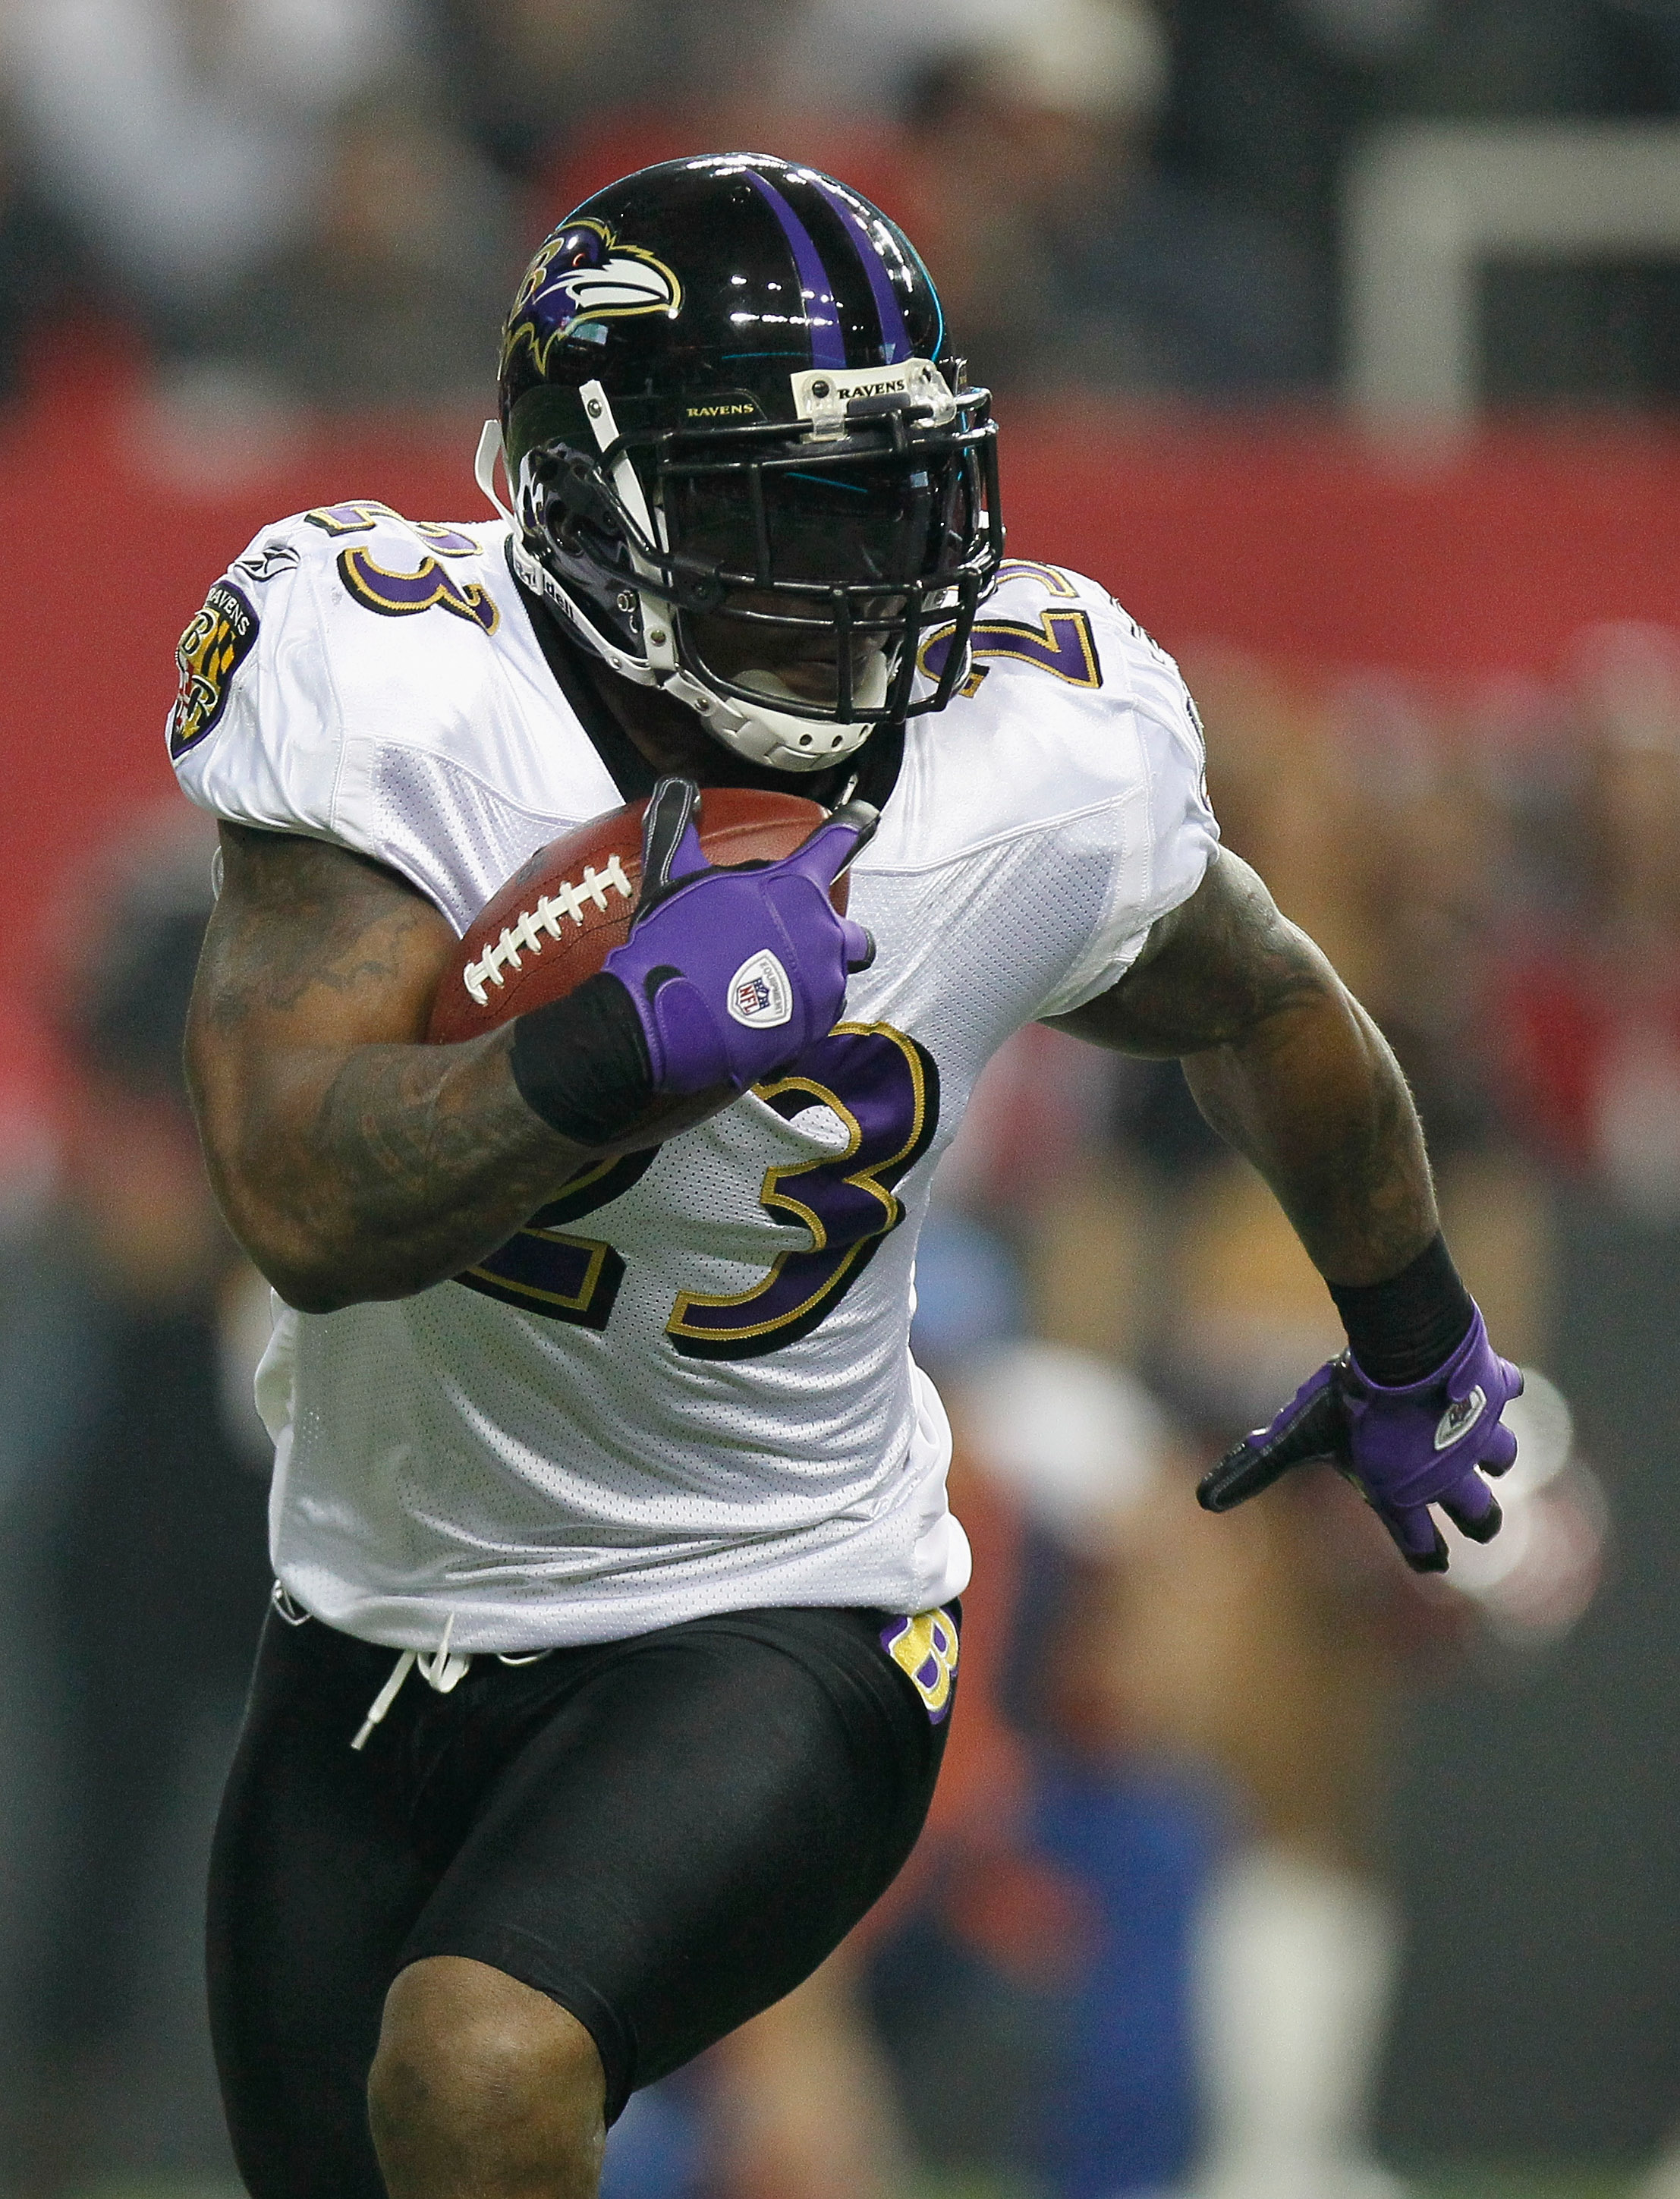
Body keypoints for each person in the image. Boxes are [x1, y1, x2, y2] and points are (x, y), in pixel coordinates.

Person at [166, 154, 1523, 2199]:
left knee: (475, 2059)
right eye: (773, 499)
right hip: (375, 1610)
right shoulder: (400, 684)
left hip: (787, 1601)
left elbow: (1269, 1000)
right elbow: (299, 1193)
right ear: (583, 492)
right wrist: (606, 1045)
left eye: (892, 491)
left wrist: (1412, 1332)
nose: (859, 566)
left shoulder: (1034, 747)